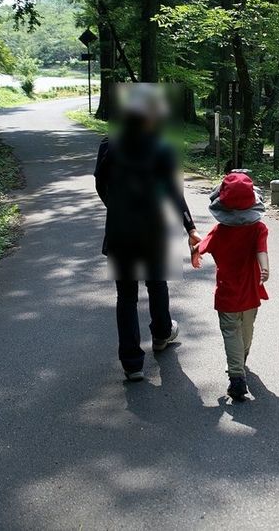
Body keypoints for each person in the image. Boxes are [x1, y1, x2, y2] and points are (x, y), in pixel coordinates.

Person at [94, 84, 201, 382]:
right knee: (157, 284)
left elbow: (101, 185)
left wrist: (118, 208)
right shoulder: (162, 148)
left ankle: (132, 363)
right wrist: (190, 227)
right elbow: (174, 194)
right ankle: (161, 334)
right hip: (153, 229)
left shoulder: (108, 145)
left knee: (126, 297)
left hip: (120, 230)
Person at [191, 172, 269, 401]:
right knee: (247, 331)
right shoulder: (258, 229)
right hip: (251, 292)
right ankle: (240, 363)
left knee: (230, 333)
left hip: (227, 293)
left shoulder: (220, 231)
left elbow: (201, 246)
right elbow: (261, 251)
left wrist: (194, 254)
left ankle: (236, 376)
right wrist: (265, 268)